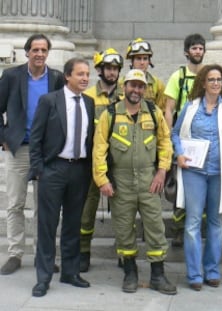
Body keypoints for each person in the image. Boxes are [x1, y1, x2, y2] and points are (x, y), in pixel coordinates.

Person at [93, 69, 176, 295]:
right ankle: (130, 272)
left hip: (150, 180)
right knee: (123, 229)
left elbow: (165, 143)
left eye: (140, 86)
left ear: (144, 89)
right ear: (124, 87)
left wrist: (161, 172)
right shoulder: (109, 115)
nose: (136, 90)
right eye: (132, 85)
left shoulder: (154, 112)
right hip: (121, 183)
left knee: (155, 228)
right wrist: (102, 180)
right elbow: (99, 150)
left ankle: (158, 275)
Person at [171, 64, 222, 291]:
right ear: (203, 83)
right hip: (194, 172)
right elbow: (175, 133)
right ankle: (194, 274)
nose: (215, 83)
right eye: (211, 79)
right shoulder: (190, 108)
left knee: (215, 222)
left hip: (219, 172)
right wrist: (179, 154)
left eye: (219, 80)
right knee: (192, 223)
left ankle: (212, 270)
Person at [0, 33, 65, 275]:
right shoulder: (11, 76)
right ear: (27, 52)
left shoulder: (57, 78)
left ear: (48, 53)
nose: (39, 54)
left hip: (46, 153)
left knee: (44, 207)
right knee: (15, 204)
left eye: (43, 50)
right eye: (35, 49)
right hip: (19, 149)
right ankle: (15, 253)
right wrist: (3, 138)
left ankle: (43, 254)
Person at [29, 57, 94, 297]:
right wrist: (38, 169)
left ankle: (70, 271)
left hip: (79, 170)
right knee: (47, 225)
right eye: (80, 74)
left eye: (87, 74)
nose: (85, 78)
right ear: (67, 76)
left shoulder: (89, 103)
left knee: (73, 224)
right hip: (53, 169)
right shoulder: (49, 101)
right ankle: (43, 277)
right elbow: (35, 137)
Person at [79, 48, 124, 272]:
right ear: (100, 70)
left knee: (122, 210)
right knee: (87, 210)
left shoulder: (125, 97)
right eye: (109, 68)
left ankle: (124, 253)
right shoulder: (87, 96)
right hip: (92, 163)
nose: (112, 72)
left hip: (118, 163)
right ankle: (83, 252)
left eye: (116, 69)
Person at [164, 33, 206, 247]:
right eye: (194, 48)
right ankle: (179, 230)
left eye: (200, 48)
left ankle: (199, 228)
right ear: (186, 51)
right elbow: (169, 109)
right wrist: (169, 139)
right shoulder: (177, 77)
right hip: (183, 140)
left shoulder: (209, 76)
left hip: (205, 140)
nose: (197, 51)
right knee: (181, 187)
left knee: (203, 185)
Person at [125, 37, 167, 111]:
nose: (142, 62)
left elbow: (162, 112)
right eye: (138, 58)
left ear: (149, 61)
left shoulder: (158, 85)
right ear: (132, 61)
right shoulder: (122, 83)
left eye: (145, 58)